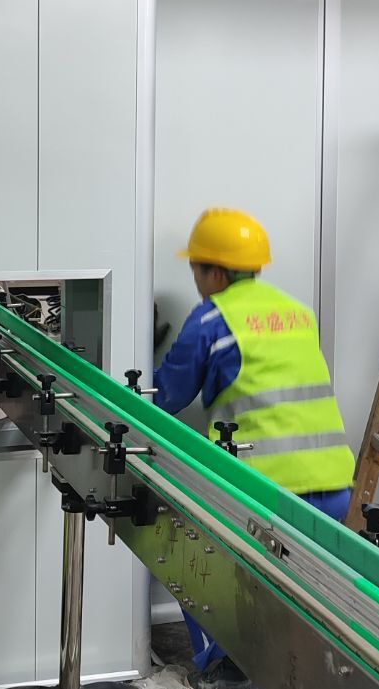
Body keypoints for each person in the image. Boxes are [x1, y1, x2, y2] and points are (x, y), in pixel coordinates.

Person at [154, 209, 356, 689]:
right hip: (333, 487)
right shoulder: (298, 313)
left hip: (263, 493)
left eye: (196, 269)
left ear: (215, 273)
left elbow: (163, 398)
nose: (196, 280)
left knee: (190, 562)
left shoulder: (211, 320)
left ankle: (227, 673)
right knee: (297, 596)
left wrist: (141, 357)